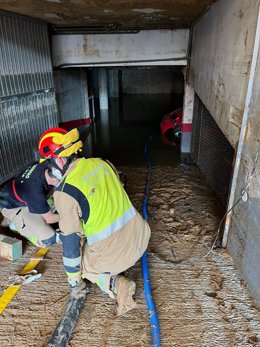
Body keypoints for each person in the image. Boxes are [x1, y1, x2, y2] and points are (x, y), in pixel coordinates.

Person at [38, 127, 151, 315]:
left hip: (118, 256)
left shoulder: (65, 192)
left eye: (49, 166)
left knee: (77, 262)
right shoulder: (102, 163)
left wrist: (74, 282)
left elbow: (71, 242)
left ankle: (115, 284)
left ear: (58, 160)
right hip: (141, 237)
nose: (50, 171)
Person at [0, 161, 60, 247]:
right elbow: (50, 219)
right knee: (49, 239)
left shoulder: (45, 166)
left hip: (20, 196)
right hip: (11, 207)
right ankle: (15, 225)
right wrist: (72, 216)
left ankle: (32, 215)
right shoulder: (34, 192)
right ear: (54, 180)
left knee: (50, 207)